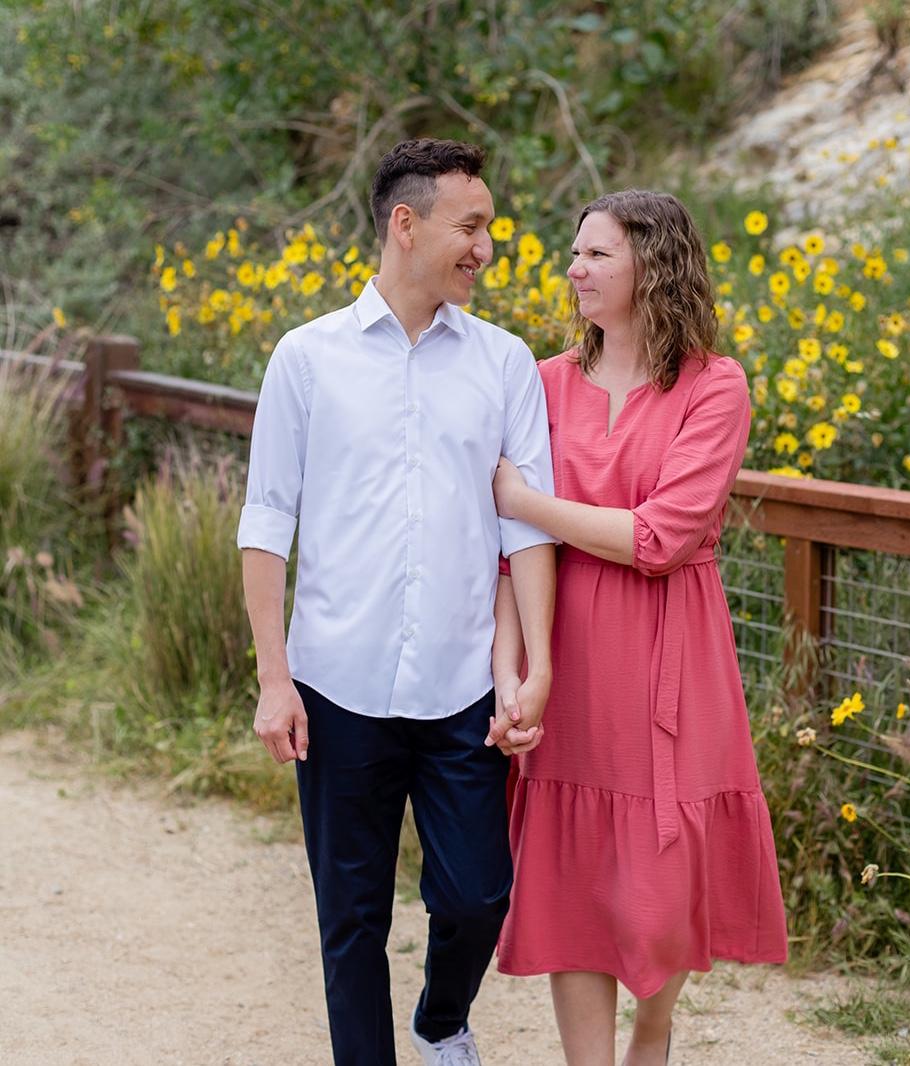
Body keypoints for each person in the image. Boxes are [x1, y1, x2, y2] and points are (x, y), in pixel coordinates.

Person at [237, 138, 556, 1066]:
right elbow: (267, 521)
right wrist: (274, 681)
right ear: (405, 225)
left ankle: (441, 1020)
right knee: (351, 920)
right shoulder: (307, 359)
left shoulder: (504, 363)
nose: (485, 248)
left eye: (489, 228)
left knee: (477, 897)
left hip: (462, 688)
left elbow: (526, 529)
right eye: (471, 227)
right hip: (336, 683)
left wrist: (531, 668)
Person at [490, 190, 789, 1066]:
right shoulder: (542, 382)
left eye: (597, 255)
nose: (574, 270)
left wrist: (526, 501)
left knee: (660, 887)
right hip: (564, 648)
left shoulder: (714, 386)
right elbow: (508, 555)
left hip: (671, 654)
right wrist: (511, 674)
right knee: (574, 886)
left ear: (653, 266)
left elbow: (661, 539)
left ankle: (652, 1030)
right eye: (575, 253)